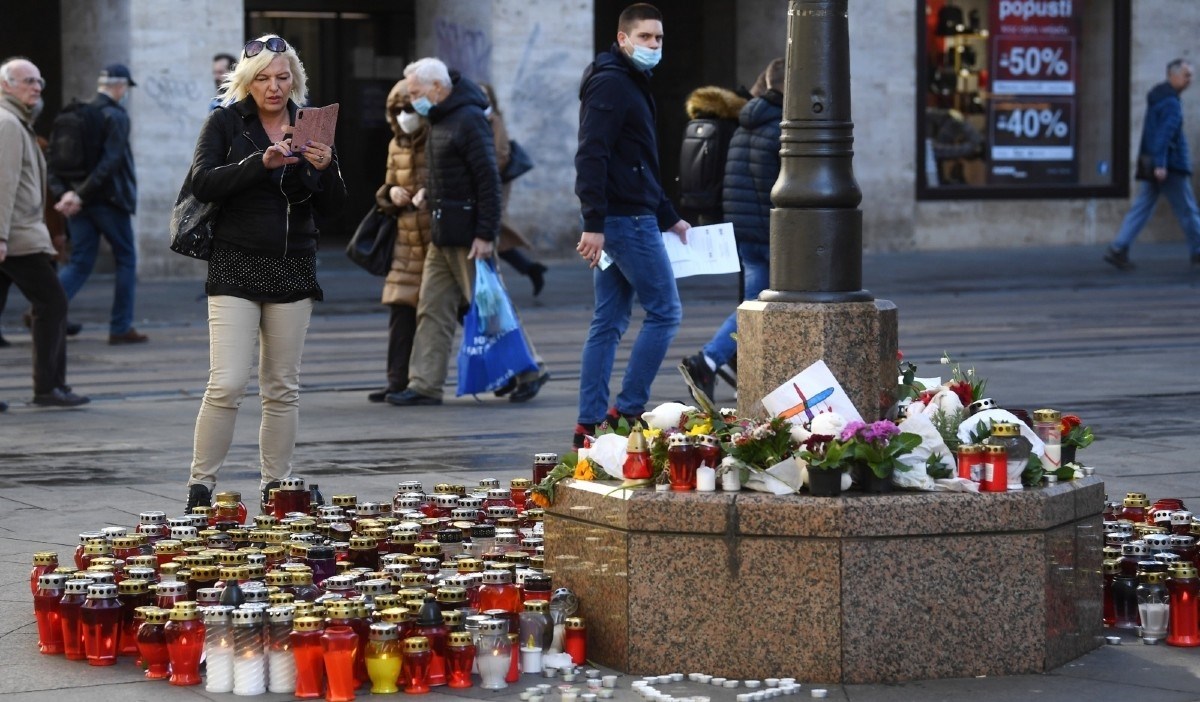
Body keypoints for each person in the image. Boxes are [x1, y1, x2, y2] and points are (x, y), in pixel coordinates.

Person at [182, 35, 346, 512]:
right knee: (227, 382)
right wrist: (260, 163)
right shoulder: (225, 122)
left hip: (293, 264)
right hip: (235, 262)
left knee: (281, 386)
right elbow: (203, 181)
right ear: (246, 82)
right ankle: (201, 486)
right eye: (263, 78)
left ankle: (277, 484)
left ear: (294, 78)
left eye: (282, 76)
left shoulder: (311, 125)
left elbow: (335, 208)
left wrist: (326, 166)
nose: (274, 87)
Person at [387, 58, 549, 407]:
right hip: (443, 231)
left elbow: (488, 179)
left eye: (416, 92)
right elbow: (447, 171)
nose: (413, 100)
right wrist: (430, 192)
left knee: (491, 306)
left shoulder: (469, 119)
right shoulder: (440, 118)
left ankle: (530, 368)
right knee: (432, 308)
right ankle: (425, 383)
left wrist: (486, 234)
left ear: (437, 88)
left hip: (469, 234)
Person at [574, 3, 690, 447]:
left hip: (629, 215)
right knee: (665, 312)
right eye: (645, 38)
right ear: (623, 39)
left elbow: (637, 159)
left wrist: (669, 215)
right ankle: (627, 410)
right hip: (625, 222)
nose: (654, 46)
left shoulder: (629, 81)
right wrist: (593, 223)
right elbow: (592, 154)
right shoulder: (612, 84)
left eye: (658, 39)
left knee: (609, 320)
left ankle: (589, 422)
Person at [681, 58, 784, 401]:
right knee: (755, 305)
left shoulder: (746, 122)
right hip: (771, 231)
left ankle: (735, 364)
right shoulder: (781, 129)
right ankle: (707, 360)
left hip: (744, 230)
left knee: (754, 303)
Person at [0, 57, 89, 408]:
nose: (36, 87)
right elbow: (3, 183)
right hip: (18, 237)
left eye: (39, 81)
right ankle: (48, 387)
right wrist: (2, 235)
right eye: (27, 81)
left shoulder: (16, 122)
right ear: (6, 85)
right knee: (53, 303)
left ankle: (50, 386)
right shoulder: (8, 124)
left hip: (17, 234)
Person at [48, 63, 147, 345]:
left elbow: (54, 163)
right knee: (126, 259)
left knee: (80, 261)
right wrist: (81, 195)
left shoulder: (78, 113)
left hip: (78, 203)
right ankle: (120, 327)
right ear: (118, 86)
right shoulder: (115, 115)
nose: (126, 92)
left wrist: (67, 194)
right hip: (108, 201)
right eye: (126, 87)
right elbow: (111, 162)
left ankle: (44, 307)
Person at [367, 78, 431, 403]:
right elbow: (386, 187)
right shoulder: (396, 144)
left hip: (436, 241)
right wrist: (391, 193)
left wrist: (428, 194)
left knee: (467, 311)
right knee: (400, 314)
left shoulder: (438, 137)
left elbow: (456, 181)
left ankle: (522, 370)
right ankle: (397, 383)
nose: (405, 115)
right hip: (405, 243)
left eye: (410, 108)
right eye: (398, 109)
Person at [1105, 58, 1200, 271]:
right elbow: (1164, 135)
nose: (1190, 80)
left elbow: (1155, 135)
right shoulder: (1171, 103)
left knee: (1142, 207)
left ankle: (1119, 247)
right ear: (1172, 75)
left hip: (1155, 163)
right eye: (1186, 75)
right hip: (1170, 166)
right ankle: (1198, 250)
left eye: (1191, 75)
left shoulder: (1158, 96)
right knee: (1187, 210)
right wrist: (1161, 164)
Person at [480, 82, 548, 297]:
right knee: (494, 232)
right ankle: (530, 268)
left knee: (491, 228)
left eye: (484, 94)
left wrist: (482, 173)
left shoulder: (494, 120)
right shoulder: (474, 118)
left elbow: (501, 154)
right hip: (485, 182)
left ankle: (497, 283)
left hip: (495, 182)